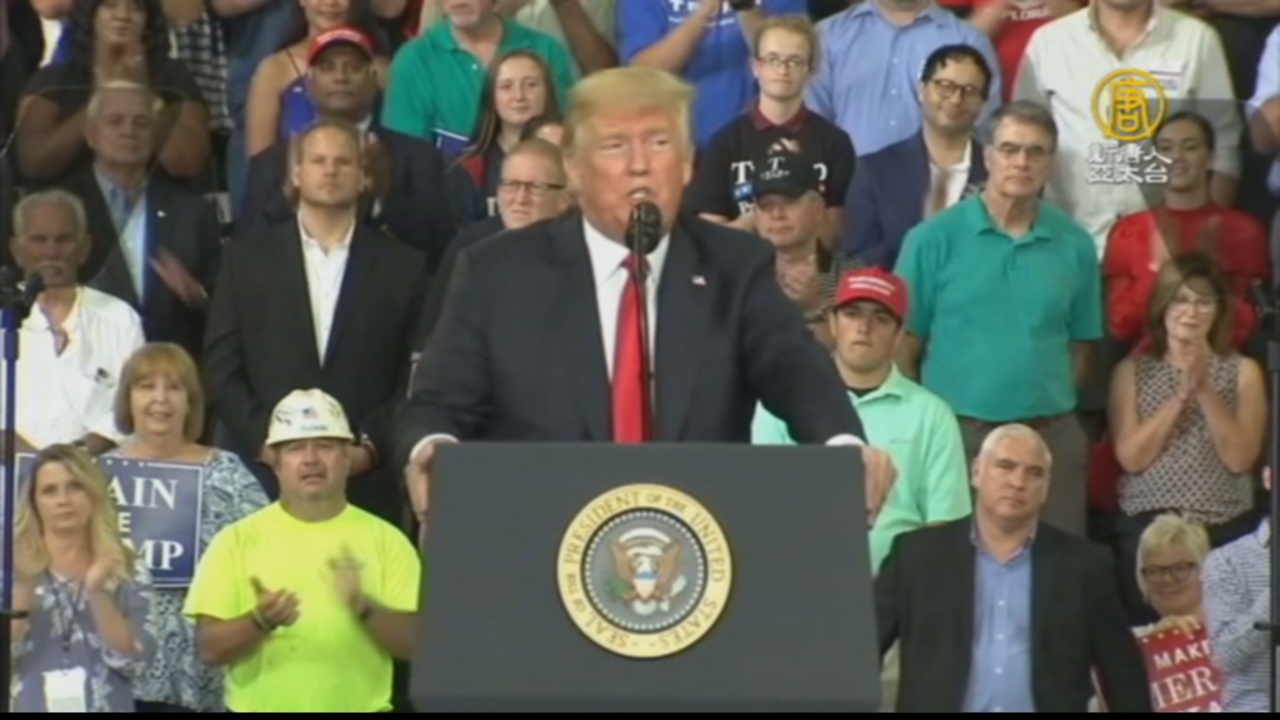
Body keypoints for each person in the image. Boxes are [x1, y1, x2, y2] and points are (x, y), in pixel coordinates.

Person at [395, 65, 897, 532]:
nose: (639, 166)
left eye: (658, 143)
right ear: (574, 168)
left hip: (699, 544)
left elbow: (795, 371)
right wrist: (432, 450)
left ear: (687, 164)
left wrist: (843, 445)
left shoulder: (735, 267)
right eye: (615, 146)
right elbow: (437, 404)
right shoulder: (496, 273)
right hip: (539, 535)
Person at [874, 424, 1152, 712]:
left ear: (1046, 488)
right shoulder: (917, 555)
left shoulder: (1085, 566)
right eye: (1005, 467)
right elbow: (864, 648)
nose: (1018, 482)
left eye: (1034, 473)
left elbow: (1123, 670)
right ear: (976, 472)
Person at [183, 389, 421, 713]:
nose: (310, 459)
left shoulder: (388, 541)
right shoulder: (235, 541)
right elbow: (209, 650)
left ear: (347, 459)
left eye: (324, 446)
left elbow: (415, 646)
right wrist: (260, 621)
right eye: (295, 448)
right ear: (276, 462)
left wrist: (365, 609)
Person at [753, 267, 972, 574]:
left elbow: (944, 527)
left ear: (899, 335)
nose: (863, 327)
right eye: (852, 314)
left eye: (880, 318)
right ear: (832, 324)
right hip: (802, 575)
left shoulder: (932, 414)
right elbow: (763, 502)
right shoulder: (781, 403)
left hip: (900, 589)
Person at [104, 343, 271, 712]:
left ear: (191, 403)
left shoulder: (227, 474)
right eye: (146, 386)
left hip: (199, 676)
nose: (160, 399)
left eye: (174, 387)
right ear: (127, 399)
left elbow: (266, 555)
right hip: (114, 675)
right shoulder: (95, 475)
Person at [10, 444, 158, 712]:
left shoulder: (126, 565)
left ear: (93, 493)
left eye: (75, 486)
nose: (63, 500)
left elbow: (136, 664)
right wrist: (22, 588)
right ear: (33, 501)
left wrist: (97, 593)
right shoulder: (10, 565)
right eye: (49, 490)